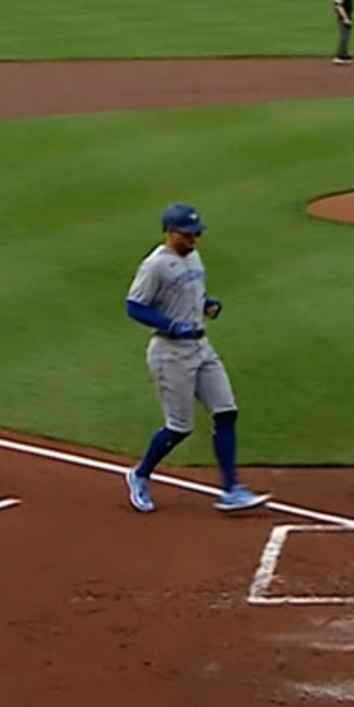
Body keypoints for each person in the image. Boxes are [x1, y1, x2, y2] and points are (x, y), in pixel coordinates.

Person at [120, 203, 271, 515]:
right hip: (170, 353)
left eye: (197, 234)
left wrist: (207, 304)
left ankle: (230, 490)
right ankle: (139, 474)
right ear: (170, 232)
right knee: (179, 427)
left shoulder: (192, 257)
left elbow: (192, 295)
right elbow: (134, 306)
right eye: (188, 235)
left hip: (201, 347)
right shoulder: (155, 265)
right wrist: (170, 324)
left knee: (226, 412)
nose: (194, 240)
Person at [333, 0, 354, 65]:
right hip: (344, 17)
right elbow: (338, 6)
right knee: (344, 37)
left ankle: (345, 54)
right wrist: (345, 18)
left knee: (346, 36)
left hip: (346, 16)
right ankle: (340, 56)